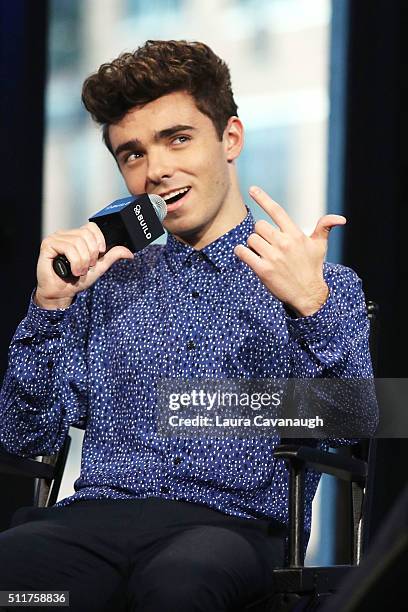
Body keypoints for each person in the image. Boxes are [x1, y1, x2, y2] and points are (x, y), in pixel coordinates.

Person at [0, 40, 377, 612]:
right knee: (24, 589)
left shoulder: (317, 282)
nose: (156, 170)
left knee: (180, 585)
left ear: (229, 138)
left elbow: (357, 426)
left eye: (178, 139)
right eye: (132, 154)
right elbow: (22, 440)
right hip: (93, 527)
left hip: (230, 530)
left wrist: (313, 307)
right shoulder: (104, 280)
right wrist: (49, 307)